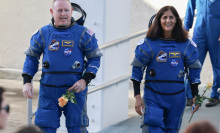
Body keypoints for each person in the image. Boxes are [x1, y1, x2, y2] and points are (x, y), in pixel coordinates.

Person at [22, 0, 102, 133]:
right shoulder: (42, 34)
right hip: (49, 92)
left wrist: (85, 80)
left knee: (77, 127)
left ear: (72, 12)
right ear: (52, 12)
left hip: (73, 92)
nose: (63, 14)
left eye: (66, 10)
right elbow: (31, 57)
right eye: (59, 10)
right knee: (44, 128)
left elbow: (94, 58)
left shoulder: (83, 34)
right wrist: (26, 82)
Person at [131, 6, 201, 133]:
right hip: (154, 97)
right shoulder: (148, 44)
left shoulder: (186, 45)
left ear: (176, 21)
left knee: (172, 130)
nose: (167, 21)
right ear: (159, 20)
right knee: (152, 129)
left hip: (176, 99)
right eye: (164, 17)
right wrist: (137, 97)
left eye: (171, 17)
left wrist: (195, 95)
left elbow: (194, 72)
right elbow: (137, 72)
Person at [184, 0, 220, 107]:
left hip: (217, 31)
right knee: (193, 63)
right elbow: (190, 8)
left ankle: (215, 95)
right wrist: (186, 27)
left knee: (218, 65)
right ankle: (190, 96)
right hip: (199, 30)